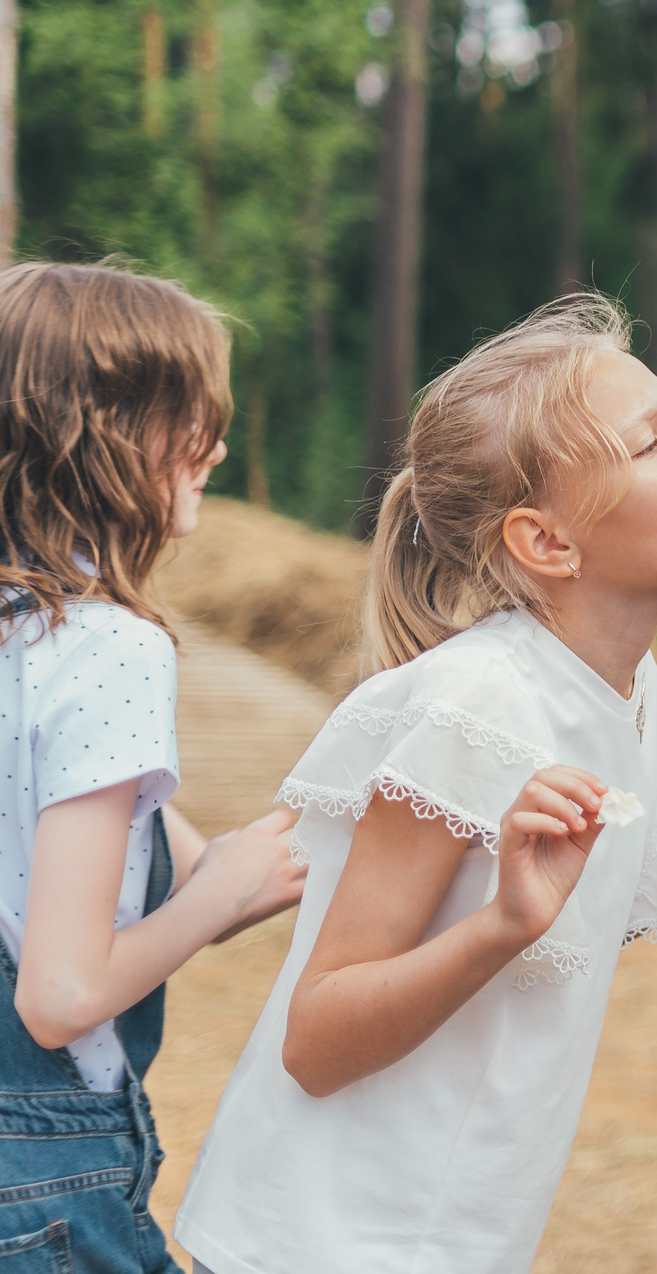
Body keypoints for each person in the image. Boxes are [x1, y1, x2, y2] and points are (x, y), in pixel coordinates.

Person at [176, 296, 657, 1274]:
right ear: (547, 543)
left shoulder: (637, 700)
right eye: (648, 443)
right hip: (322, 1245)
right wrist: (503, 926)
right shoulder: (472, 708)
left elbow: (563, 926)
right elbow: (318, 1037)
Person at [0, 262, 307, 1271]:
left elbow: (198, 865)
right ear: (104, 432)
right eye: (191, 417)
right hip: (42, 1179)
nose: (215, 445)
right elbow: (61, 992)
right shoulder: (107, 649)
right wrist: (215, 901)